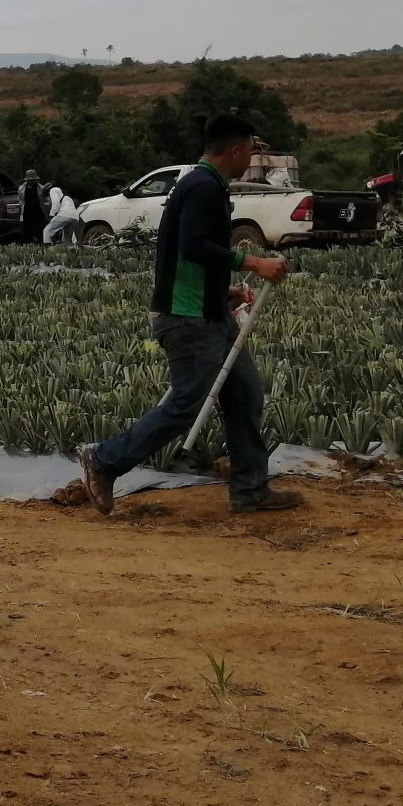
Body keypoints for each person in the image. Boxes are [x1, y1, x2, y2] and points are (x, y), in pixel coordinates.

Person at [79, 114, 303, 516]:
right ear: (235, 150)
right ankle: (104, 462)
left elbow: (188, 255)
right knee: (185, 405)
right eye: (250, 150)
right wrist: (252, 261)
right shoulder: (202, 188)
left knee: (245, 392)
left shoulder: (203, 185)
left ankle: (251, 489)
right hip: (187, 319)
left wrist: (222, 291)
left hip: (207, 312)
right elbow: (194, 246)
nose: (250, 158)